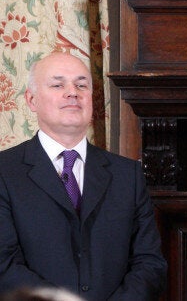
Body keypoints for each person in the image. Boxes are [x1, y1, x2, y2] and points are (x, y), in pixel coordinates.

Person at [0, 52, 167, 300]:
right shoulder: (5, 171)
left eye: (81, 85)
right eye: (58, 85)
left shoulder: (127, 175)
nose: (72, 92)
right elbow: (4, 265)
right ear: (31, 100)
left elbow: (149, 264)